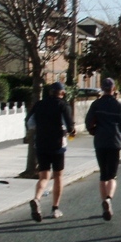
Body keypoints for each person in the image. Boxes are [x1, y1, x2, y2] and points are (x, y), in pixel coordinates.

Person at [26, 81, 75, 221]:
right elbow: (69, 125)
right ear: (63, 93)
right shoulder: (63, 105)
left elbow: (29, 122)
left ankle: (37, 198)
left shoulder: (39, 104)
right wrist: (71, 131)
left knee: (44, 176)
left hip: (41, 144)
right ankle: (55, 208)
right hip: (57, 145)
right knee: (58, 176)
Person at [85, 77, 121, 221]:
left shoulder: (96, 105)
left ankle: (103, 201)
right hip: (114, 142)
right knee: (112, 175)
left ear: (101, 88)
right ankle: (109, 199)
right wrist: (118, 132)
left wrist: (95, 131)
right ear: (114, 88)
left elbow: (88, 123)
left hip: (100, 141)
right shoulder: (118, 106)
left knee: (103, 175)